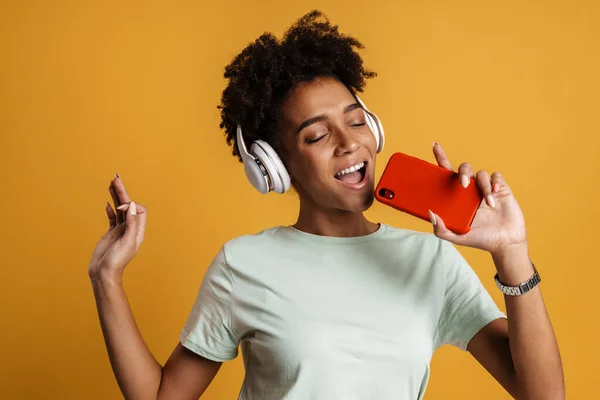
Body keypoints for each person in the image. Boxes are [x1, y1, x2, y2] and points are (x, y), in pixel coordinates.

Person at [88, 10, 565, 400]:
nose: (347, 143)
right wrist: (106, 278)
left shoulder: (431, 261)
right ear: (275, 167)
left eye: (357, 122)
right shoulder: (243, 264)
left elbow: (544, 396)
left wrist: (512, 252)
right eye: (316, 134)